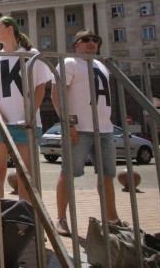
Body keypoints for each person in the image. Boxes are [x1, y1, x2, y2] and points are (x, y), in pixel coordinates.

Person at [51, 28, 124, 236]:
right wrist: (69, 124)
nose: (91, 43)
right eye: (85, 40)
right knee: (67, 173)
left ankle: (112, 219)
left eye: (95, 40)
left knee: (107, 175)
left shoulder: (101, 65)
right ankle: (61, 219)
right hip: (80, 129)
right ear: (76, 45)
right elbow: (58, 95)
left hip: (105, 129)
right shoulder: (70, 63)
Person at [0, 16, 52, 203]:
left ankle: (24, 219)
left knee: (25, 173)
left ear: (10, 28)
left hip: (26, 123)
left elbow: (40, 87)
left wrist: (29, 115)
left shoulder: (31, 54)